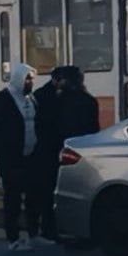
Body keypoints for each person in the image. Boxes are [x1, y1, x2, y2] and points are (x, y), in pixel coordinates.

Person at [35, 66, 100, 240]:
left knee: (51, 192)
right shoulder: (89, 101)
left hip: (54, 152)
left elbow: (45, 126)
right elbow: (93, 130)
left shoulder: (55, 100)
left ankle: (51, 228)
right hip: (80, 153)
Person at [0, 63, 49, 250]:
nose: (30, 82)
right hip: (12, 159)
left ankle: (33, 233)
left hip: (32, 157)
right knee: (13, 198)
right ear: (17, 79)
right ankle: (13, 239)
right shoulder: (3, 99)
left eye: (32, 78)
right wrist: (0, 157)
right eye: (27, 78)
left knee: (34, 196)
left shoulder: (31, 99)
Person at [33, 66, 72, 240]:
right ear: (58, 79)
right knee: (48, 191)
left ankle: (51, 226)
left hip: (51, 149)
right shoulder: (44, 96)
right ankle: (48, 228)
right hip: (48, 150)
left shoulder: (47, 95)